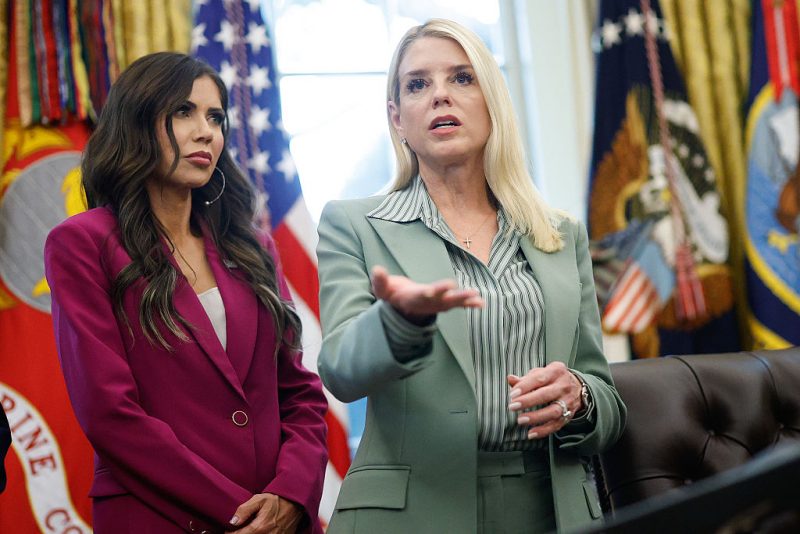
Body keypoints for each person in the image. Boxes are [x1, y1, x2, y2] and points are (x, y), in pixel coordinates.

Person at [316, 19, 626, 534]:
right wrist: (397, 322)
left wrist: (580, 396)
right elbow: (341, 370)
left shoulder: (559, 234)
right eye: (418, 84)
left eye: (462, 78)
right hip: (412, 513)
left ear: (493, 101)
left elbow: (609, 402)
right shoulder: (353, 224)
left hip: (552, 507)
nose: (440, 96)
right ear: (397, 118)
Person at [44, 52, 328, 533]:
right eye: (184, 112)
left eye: (216, 117)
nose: (206, 132)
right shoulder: (82, 243)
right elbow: (110, 413)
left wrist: (290, 495)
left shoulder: (251, 245)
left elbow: (299, 392)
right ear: (136, 122)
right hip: (160, 518)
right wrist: (239, 513)